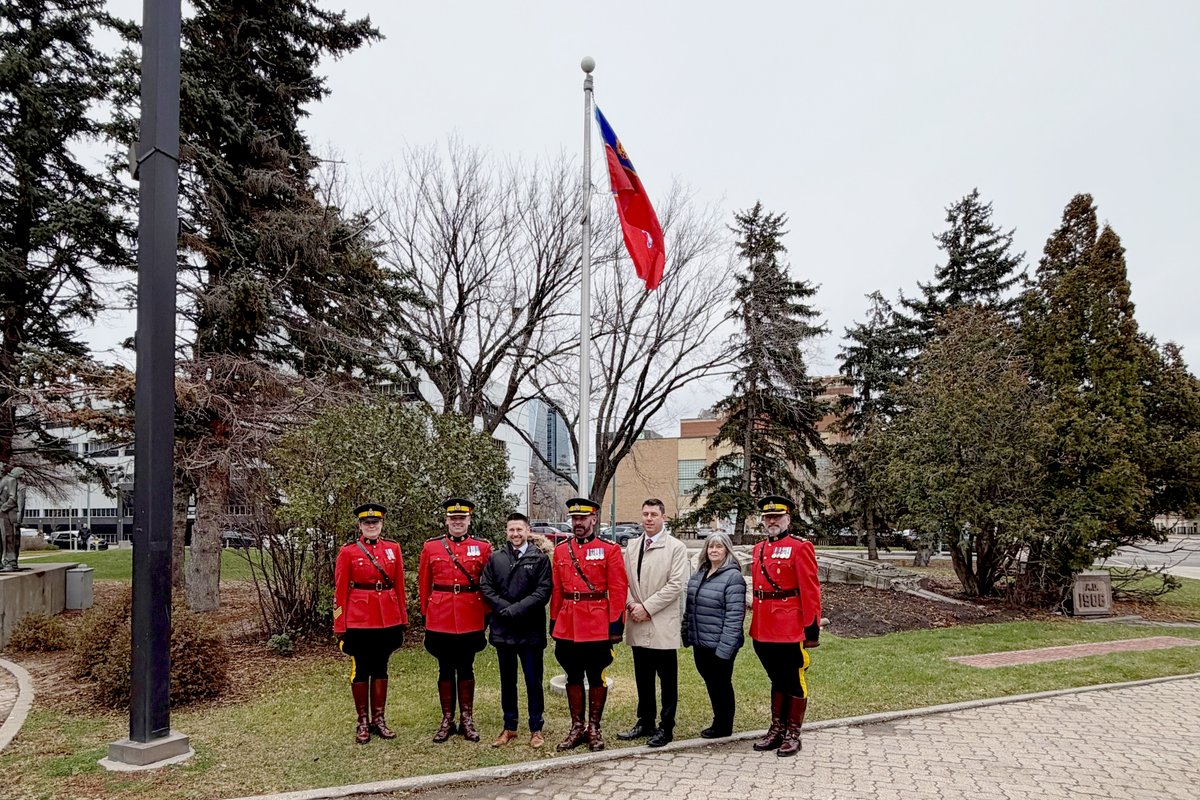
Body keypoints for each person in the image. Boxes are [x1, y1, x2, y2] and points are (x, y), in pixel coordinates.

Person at [549, 497, 627, 752]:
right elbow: (557, 590)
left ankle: (594, 727)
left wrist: (615, 626)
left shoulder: (610, 549)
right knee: (572, 675)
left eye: (582, 518)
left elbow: (617, 590)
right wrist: (553, 622)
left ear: (594, 519)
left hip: (596, 623)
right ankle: (576, 727)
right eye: (574, 519)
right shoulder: (561, 550)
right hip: (568, 624)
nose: (578, 523)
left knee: (596, 676)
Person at [748, 495, 821, 757]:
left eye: (777, 517)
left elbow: (810, 591)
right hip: (762, 627)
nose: (772, 521)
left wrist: (811, 629)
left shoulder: (800, 547)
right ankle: (776, 730)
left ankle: (793, 734)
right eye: (768, 517)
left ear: (788, 518)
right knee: (776, 678)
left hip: (789, 627)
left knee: (793, 679)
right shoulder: (758, 549)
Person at [418, 497, 493, 743]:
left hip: (470, 614)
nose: (457, 522)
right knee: (445, 667)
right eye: (453, 519)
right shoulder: (432, 547)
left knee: (466, 666)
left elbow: (487, 584)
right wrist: (426, 614)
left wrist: (486, 614)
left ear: (469, 520)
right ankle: (447, 719)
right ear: (446, 520)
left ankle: (467, 719)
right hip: (440, 616)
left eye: (462, 519)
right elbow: (424, 584)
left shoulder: (482, 547)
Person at [332, 502, 408, 744]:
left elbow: (399, 587)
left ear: (381, 524)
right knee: (362, 669)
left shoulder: (393, 549)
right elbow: (340, 590)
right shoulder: (348, 552)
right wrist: (339, 624)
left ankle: (379, 719)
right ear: (360, 526)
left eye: (375, 522)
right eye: (367, 523)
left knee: (381, 668)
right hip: (359, 619)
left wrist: (402, 619)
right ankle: (362, 721)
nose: (371, 526)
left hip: (387, 617)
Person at [617, 498, 690, 747]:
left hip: (661, 623)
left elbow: (675, 585)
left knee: (667, 681)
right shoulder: (633, 546)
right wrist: (631, 605)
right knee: (643, 677)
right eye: (645, 514)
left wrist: (647, 608)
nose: (648, 518)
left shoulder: (676, 548)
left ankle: (665, 727)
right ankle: (645, 721)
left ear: (663, 517)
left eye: (653, 514)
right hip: (637, 620)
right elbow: (623, 581)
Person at [480, 512, 553, 749]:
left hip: (530, 631)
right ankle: (509, 727)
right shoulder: (496, 558)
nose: (515, 534)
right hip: (504, 630)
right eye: (511, 530)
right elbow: (486, 586)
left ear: (528, 530)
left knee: (534, 681)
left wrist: (517, 609)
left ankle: (536, 728)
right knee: (507, 682)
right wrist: (505, 609)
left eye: (519, 530)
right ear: (506, 532)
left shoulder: (539, 558)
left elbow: (543, 592)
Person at [681, 532, 746, 738]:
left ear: (727, 549)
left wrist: (724, 648)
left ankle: (723, 725)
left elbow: (734, 617)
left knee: (721, 684)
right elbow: (690, 606)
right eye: (711, 547)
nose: (714, 550)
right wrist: (686, 632)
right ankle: (719, 720)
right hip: (701, 642)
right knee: (712, 683)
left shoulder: (733, 577)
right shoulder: (700, 573)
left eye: (719, 547)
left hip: (720, 643)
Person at [0, 466, 27, 571]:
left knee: (9, 538)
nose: (22, 477)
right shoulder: (6, 480)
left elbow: (16, 501)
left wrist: (3, 508)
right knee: (5, 538)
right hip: (4, 514)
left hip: (8, 514)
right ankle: (7, 561)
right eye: (21, 475)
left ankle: (10, 561)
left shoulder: (12, 482)